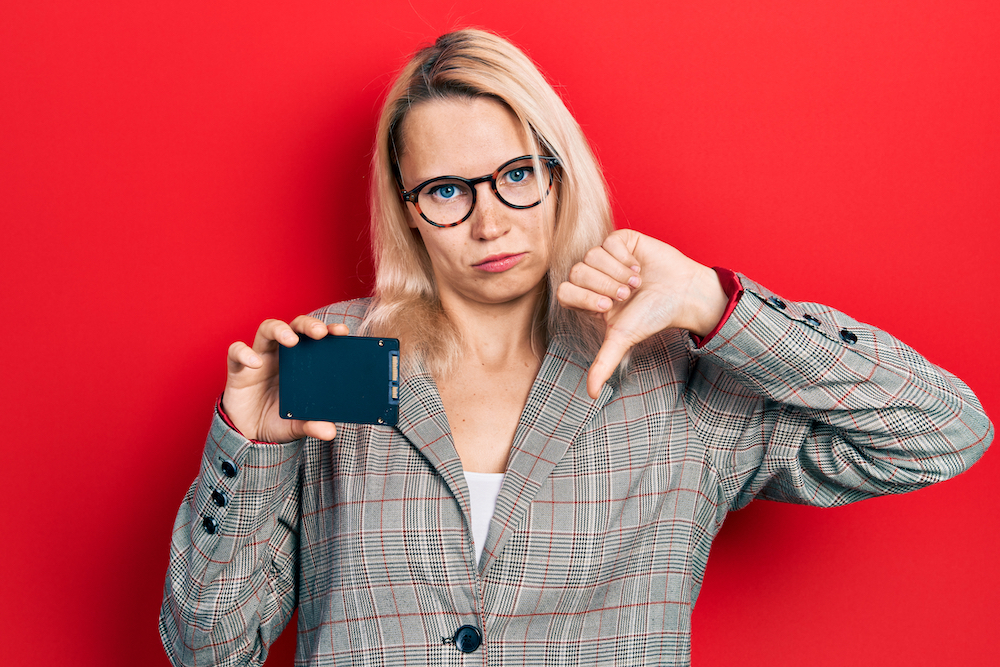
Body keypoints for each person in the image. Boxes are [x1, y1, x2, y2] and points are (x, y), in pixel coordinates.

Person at [159, 28, 993, 667]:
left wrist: (715, 302)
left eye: (516, 175)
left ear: (559, 172)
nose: (490, 222)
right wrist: (251, 447)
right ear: (407, 207)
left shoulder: (676, 374)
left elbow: (943, 430)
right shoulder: (331, 359)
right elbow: (208, 648)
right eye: (447, 191)